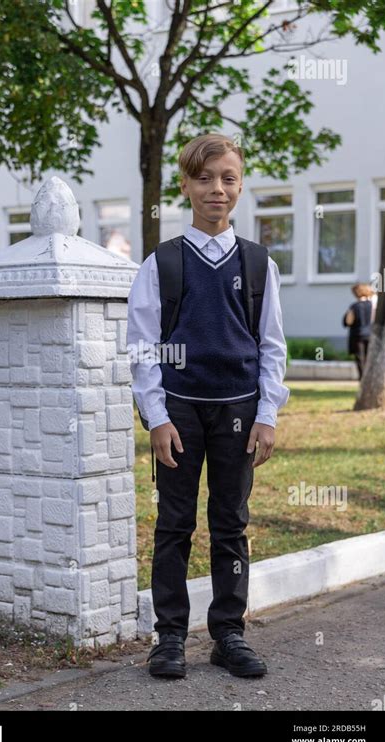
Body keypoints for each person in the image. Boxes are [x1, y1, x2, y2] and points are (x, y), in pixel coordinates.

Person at [126, 133, 290, 679]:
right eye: (204, 178)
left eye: (227, 178)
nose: (215, 189)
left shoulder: (259, 263)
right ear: (185, 185)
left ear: (240, 185)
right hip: (180, 414)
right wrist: (157, 417)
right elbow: (144, 347)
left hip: (238, 414)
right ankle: (169, 637)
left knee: (230, 524)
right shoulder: (163, 263)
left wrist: (267, 414)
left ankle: (228, 635)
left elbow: (271, 345)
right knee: (174, 525)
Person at [342, 283, 375, 379]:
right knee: (369, 358)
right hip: (371, 334)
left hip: (358, 336)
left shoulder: (354, 306)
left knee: (360, 359)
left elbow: (348, 321)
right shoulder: (372, 305)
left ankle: (363, 379)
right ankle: (370, 379)